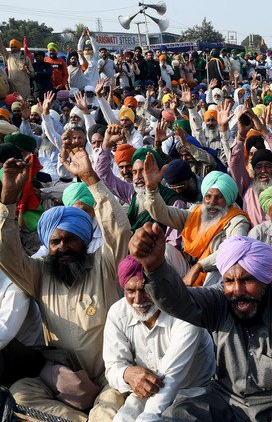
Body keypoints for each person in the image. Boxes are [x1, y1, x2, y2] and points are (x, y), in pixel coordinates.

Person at [129, 230, 272, 421]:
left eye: (247, 280)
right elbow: (180, 302)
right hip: (227, 402)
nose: (237, 290)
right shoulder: (221, 298)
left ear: (264, 279)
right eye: (229, 281)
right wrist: (155, 268)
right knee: (178, 415)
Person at [0, 149, 130, 421]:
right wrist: (8, 200)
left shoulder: (105, 264)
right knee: (20, 395)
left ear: (84, 239)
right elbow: (7, 253)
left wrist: (91, 179)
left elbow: (119, 232)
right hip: (64, 378)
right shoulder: (40, 273)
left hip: (110, 375)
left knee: (107, 412)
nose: (62, 247)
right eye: (55, 242)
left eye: (70, 239)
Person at [104, 255, 216, 422]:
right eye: (131, 291)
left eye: (145, 290)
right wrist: (127, 373)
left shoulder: (186, 312)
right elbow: (113, 366)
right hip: (145, 392)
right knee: (122, 418)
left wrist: (147, 417)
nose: (138, 300)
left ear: (161, 286)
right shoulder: (118, 313)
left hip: (193, 393)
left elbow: (170, 378)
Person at [142, 159, 250, 287]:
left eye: (219, 197)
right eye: (208, 196)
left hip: (213, 273)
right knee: (166, 250)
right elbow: (162, 213)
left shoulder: (237, 220)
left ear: (228, 199)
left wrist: (200, 266)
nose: (212, 202)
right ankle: (163, 293)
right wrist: (152, 188)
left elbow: (235, 248)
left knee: (222, 267)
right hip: (189, 268)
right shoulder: (196, 212)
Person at [229, 108, 272, 224]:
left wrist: (264, 131)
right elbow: (234, 163)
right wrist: (241, 135)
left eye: (268, 166)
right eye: (258, 167)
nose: (263, 170)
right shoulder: (248, 187)